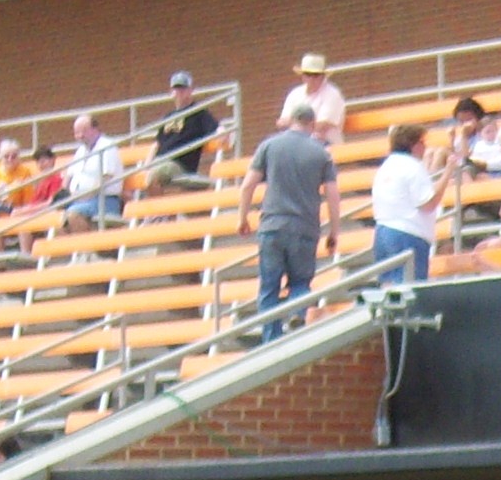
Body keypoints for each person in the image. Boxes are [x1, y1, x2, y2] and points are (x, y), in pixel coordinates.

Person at [238, 97, 339, 337]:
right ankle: (298, 313)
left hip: (272, 225)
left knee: (269, 288)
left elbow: (247, 186)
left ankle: (271, 340)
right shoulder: (322, 154)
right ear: (312, 124)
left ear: (291, 121)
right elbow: (333, 195)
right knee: (301, 282)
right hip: (305, 227)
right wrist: (334, 231)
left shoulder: (269, 146)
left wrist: (243, 217)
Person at [364, 122, 436, 283]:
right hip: (408, 232)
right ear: (413, 145)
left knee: (388, 285)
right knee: (410, 288)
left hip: (383, 230)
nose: (424, 147)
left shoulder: (386, 167)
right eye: (422, 142)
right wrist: (448, 174)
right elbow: (427, 204)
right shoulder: (413, 167)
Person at [147, 75, 218, 188]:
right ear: (171, 92)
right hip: (162, 162)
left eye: (183, 88)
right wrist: (147, 165)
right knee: (150, 175)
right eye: (176, 89)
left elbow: (216, 128)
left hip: (181, 164)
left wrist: (224, 133)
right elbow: (157, 144)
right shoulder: (168, 117)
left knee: (155, 175)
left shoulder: (198, 111)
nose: (179, 92)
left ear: (190, 91)